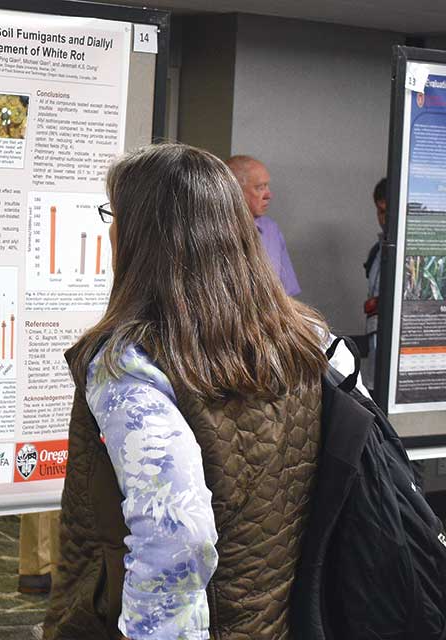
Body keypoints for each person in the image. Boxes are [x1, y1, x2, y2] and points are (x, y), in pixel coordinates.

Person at [44, 143, 358, 639]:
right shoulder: (308, 344)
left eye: (114, 214)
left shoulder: (131, 364)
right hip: (277, 619)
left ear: (143, 235)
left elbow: (179, 538)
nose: (110, 229)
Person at [226, 155, 301, 296]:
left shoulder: (271, 231)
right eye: (260, 188)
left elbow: (287, 295)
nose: (269, 195)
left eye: (267, 186)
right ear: (235, 191)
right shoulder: (207, 230)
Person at [363, 177, 387, 392]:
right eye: (380, 211)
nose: (384, 218)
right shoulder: (376, 252)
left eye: (389, 211)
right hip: (375, 339)